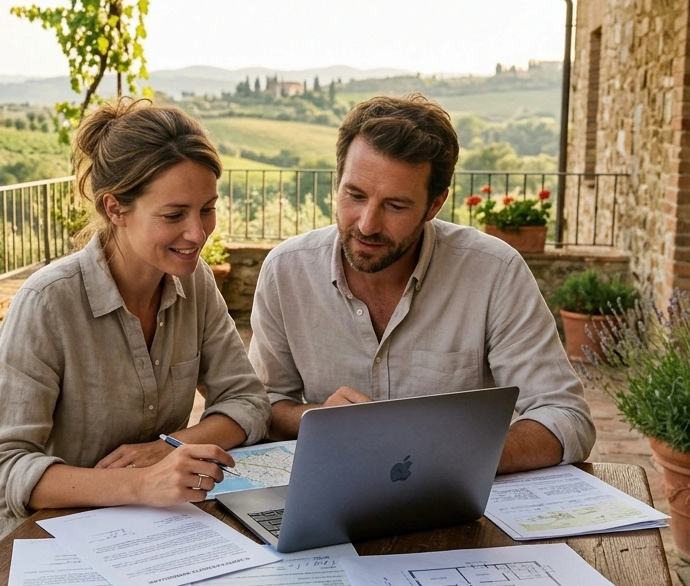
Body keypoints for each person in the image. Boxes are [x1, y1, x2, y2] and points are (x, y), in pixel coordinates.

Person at [0, 99, 270, 570]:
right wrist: (142, 484)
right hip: (25, 550)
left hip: (139, 538)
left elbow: (248, 401)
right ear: (115, 208)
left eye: (207, 210)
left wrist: (169, 448)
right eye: (174, 215)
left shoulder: (195, 280)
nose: (198, 232)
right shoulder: (49, 303)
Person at [248, 94, 594, 474]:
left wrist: (450, 458)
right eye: (354, 195)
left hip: (453, 500)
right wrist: (316, 418)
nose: (366, 224)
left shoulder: (494, 272)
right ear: (338, 182)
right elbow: (263, 404)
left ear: (435, 205)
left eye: (395, 206)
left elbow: (566, 416)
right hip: (332, 490)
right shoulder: (286, 270)